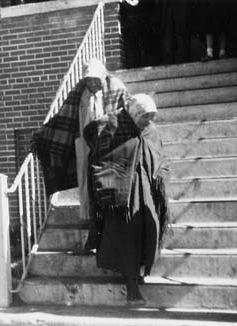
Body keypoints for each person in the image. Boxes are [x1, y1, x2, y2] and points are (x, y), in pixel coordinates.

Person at [83, 94, 170, 305]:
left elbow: (160, 157)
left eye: (151, 116)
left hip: (147, 190)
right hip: (123, 193)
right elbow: (95, 144)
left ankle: (139, 271)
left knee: (150, 228)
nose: (148, 120)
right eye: (143, 116)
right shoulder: (115, 125)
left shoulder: (150, 130)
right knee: (128, 234)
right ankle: (131, 286)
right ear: (134, 114)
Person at [31, 60, 129, 228]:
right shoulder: (79, 92)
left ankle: (108, 217)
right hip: (83, 143)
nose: (92, 83)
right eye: (89, 80)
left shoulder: (117, 88)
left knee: (106, 177)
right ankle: (88, 216)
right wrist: (43, 134)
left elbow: (126, 113)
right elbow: (64, 115)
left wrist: (106, 122)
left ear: (103, 77)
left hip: (107, 142)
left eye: (96, 79)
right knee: (85, 178)